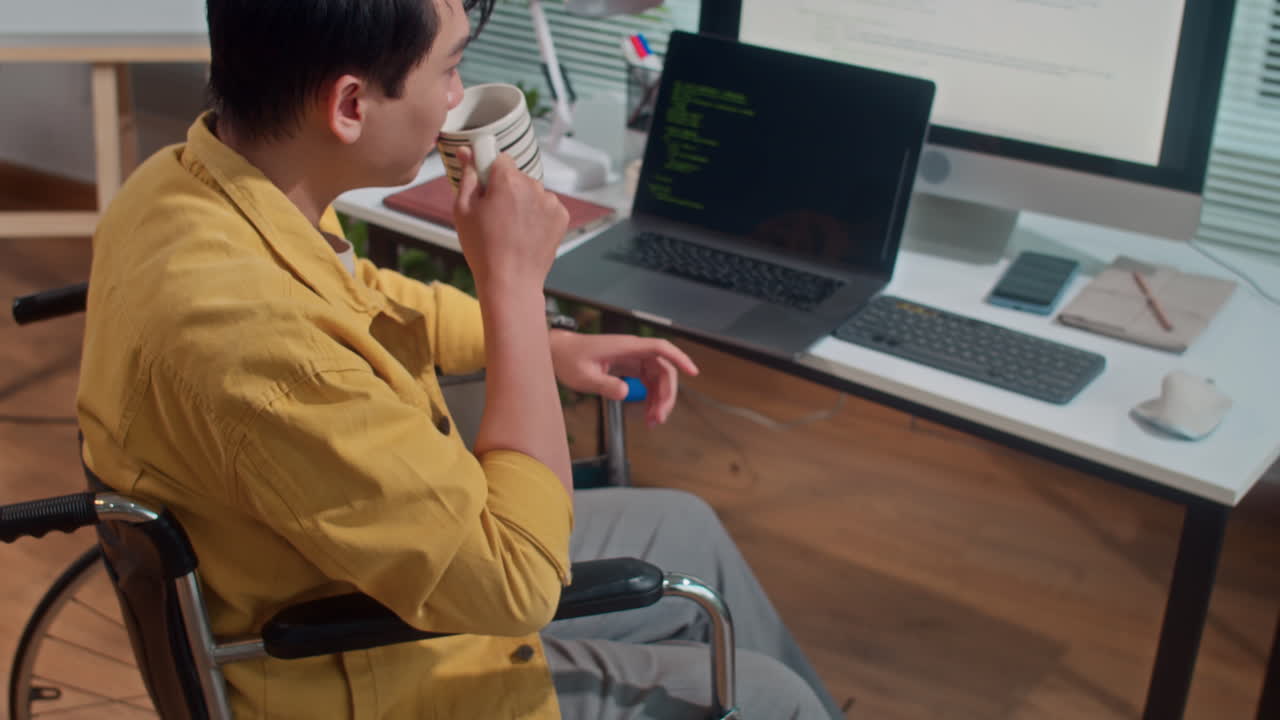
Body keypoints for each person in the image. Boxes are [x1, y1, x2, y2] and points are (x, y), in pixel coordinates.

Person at [76, 0, 842, 717]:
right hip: (380, 666)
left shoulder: (186, 182)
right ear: (349, 105)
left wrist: (548, 346)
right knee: (773, 697)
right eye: (448, 70)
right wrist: (512, 286)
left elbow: (359, 291)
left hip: (367, 551)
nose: (458, 96)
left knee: (687, 525)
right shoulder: (267, 352)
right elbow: (518, 581)